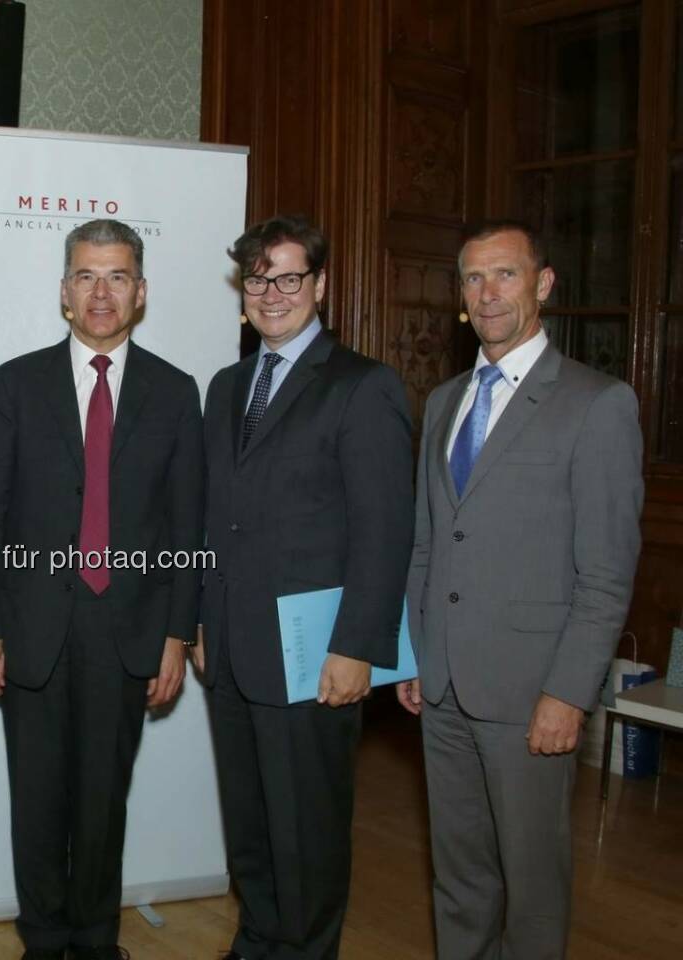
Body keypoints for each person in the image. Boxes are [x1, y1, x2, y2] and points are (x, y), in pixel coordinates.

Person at [397, 220, 643, 959]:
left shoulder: (596, 404)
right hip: (441, 686)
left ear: (542, 284)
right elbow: (428, 543)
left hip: (531, 693)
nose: (488, 292)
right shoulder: (444, 401)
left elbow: (605, 573)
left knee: (533, 888)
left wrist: (569, 693)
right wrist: (414, 654)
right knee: (460, 877)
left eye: (505, 275)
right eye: (473, 279)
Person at [0, 218, 204, 960]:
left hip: (128, 633)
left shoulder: (175, 391)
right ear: (64, 292)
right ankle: (43, 941)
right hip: (31, 629)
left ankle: (96, 941)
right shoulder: (15, 383)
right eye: (85, 276)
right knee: (36, 803)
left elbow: (185, 526)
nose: (101, 293)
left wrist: (177, 632)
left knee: (105, 804)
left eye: (116, 277)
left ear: (140, 292)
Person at [195, 215, 413, 960]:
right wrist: (199, 620)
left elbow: (385, 533)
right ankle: (256, 944)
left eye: (289, 277)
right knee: (251, 829)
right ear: (243, 291)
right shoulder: (226, 386)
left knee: (308, 834)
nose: (273, 293)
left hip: (313, 657)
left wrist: (358, 648)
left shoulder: (362, 386)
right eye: (258, 279)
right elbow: (211, 519)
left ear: (318, 285)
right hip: (228, 649)